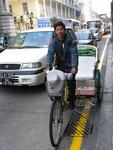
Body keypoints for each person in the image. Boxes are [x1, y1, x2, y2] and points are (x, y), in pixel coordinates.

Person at [46, 21, 78, 109]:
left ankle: (71, 100)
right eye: (57, 30)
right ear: (55, 32)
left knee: (71, 83)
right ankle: (58, 97)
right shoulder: (53, 42)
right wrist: (48, 65)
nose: (60, 31)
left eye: (61, 29)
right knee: (56, 80)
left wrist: (74, 66)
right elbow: (50, 54)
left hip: (70, 65)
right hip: (60, 65)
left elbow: (74, 54)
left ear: (64, 30)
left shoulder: (71, 40)